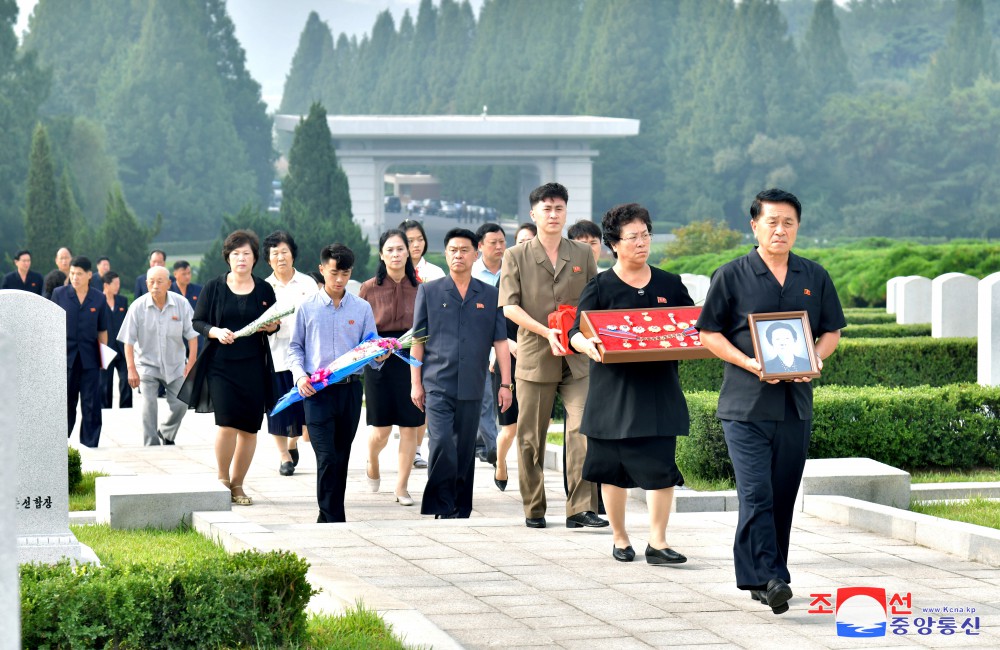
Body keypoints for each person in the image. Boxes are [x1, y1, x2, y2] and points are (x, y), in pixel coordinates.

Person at [697, 188, 846, 615]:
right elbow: (709, 333)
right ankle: (769, 576)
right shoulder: (731, 274)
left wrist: (815, 357)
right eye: (772, 222)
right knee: (757, 492)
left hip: (795, 404)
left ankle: (767, 578)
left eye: (789, 223)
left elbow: (831, 331)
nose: (780, 230)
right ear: (755, 226)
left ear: (798, 227)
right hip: (745, 407)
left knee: (782, 494)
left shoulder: (814, 276)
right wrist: (747, 360)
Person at [569, 203, 691, 565]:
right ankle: (620, 538)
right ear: (613, 244)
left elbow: (691, 325)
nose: (642, 243)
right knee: (612, 468)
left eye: (646, 235)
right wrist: (584, 344)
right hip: (613, 392)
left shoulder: (670, 283)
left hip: (658, 389)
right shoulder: (601, 286)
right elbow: (577, 330)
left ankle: (658, 541)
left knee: (660, 466)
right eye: (633, 237)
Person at [498, 182, 605, 530]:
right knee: (531, 436)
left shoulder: (582, 254)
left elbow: (594, 301)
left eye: (559, 208)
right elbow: (509, 308)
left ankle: (581, 508)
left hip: (577, 356)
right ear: (534, 214)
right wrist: (546, 331)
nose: (554, 214)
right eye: (547, 208)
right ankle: (534, 507)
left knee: (583, 429)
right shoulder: (516, 255)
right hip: (535, 353)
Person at [410, 228, 512, 519]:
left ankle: (460, 507)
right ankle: (441, 504)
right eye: (453, 250)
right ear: (445, 254)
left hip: (473, 382)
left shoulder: (490, 294)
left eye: (464, 250)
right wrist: (415, 383)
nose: (458, 255)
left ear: (475, 254)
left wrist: (506, 384)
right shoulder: (429, 291)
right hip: (436, 382)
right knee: (441, 442)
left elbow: (501, 343)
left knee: (466, 448)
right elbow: (418, 341)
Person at [179, 230, 279, 506]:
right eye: (236, 254)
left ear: (255, 258)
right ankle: (222, 479)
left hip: (254, 365)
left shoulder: (263, 289)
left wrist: (272, 325)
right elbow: (198, 322)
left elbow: (274, 321)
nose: (241, 258)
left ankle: (238, 484)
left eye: (247, 253)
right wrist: (215, 331)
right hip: (221, 365)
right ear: (228, 257)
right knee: (226, 423)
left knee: (249, 428)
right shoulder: (214, 287)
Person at [288, 244, 386, 523]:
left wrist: (382, 353)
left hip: (351, 391)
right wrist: (300, 376)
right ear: (322, 270)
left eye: (345, 273)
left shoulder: (362, 308)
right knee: (326, 456)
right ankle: (332, 517)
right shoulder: (306, 309)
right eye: (334, 273)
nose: (339, 279)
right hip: (317, 392)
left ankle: (330, 516)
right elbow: (295, 348)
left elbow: (370, 349)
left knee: (341, 457)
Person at [360, 230, 423, 506]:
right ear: (381, 254)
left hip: (411, 359)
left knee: (410, 427)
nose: (396, 254)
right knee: (381, 430)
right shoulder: (368, 288)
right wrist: (374, 350)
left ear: (408, 253)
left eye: (400, 249)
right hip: (380, 362)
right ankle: (371, 459)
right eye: (390, 250)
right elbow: (361, 329)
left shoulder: (422, 288)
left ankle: (402, 487)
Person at [119, 266, 198, 445]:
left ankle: (166, 432)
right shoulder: (138, 306)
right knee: (149, 404)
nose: (155, 285)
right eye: (151, 282)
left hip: (176, 364)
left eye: (159, 281)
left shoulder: (181, 303)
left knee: (181, 404)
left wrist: (191, 362)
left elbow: (192, 337)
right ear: (146, 284)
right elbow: (128, 341)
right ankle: (151, 443)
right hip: (147, 365)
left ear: (169, 283)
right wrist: (131, 369)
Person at [262, 230, 318, 476]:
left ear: (293, 255)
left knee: (302, 408)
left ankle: (293, 442)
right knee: (278, 407)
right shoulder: (263, 287)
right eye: (275, 253)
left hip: (306, 357)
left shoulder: (307, 284)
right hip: (275, 355)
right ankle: (284, 456)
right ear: (268, 259)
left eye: (284, 251)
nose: (280, 257)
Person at [492, 223, 536, 491]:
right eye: (520, 241)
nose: (524, 245)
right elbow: (493, 321)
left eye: (529, 241)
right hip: (507, 357)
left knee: (530, 425)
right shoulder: (505, 277)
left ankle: (528, 480)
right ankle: (500, 462)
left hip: (537, 356)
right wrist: (505, 345)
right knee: (510, 427)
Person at [400, 218, 446, 470]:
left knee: (423, 394)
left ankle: (417, 448)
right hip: (399, 343)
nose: (415, 245)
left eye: (419, 239)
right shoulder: (394, 269)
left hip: (426, 342)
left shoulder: (435, 273)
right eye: (409, 240)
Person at [51, 256, 108, 448]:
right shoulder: (59, 294)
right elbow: (51, 327)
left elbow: (102, 331)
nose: (75, 277)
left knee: (91, 402)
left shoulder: (99, 298)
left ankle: (90, 442)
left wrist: (103, 359)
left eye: (79, 274)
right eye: (72, 273)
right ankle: (61, 441)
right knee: (66, 401)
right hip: (65, 359)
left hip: (90, 358)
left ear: (89, 275)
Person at [471, 222, 506, 465]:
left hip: (508, 341)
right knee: (485, 398)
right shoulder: (470, 274)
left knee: (499, 397)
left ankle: (489, 444)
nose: (499, 247)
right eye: (492, 242)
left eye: (502, 242)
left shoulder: (513, 270)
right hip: (479, 345)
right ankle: (492, 448)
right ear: (480, 246)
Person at [100, 271, 132, 409]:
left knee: (126, 380)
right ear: (106, 285)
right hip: (105, 348)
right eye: (116, 283)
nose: (118, 286)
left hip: (122, 348)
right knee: (105, 383)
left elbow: (127, 323)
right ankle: (105, 408)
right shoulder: (98, 301)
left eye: (119, 283)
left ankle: (126, 408)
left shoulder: (122, 301)